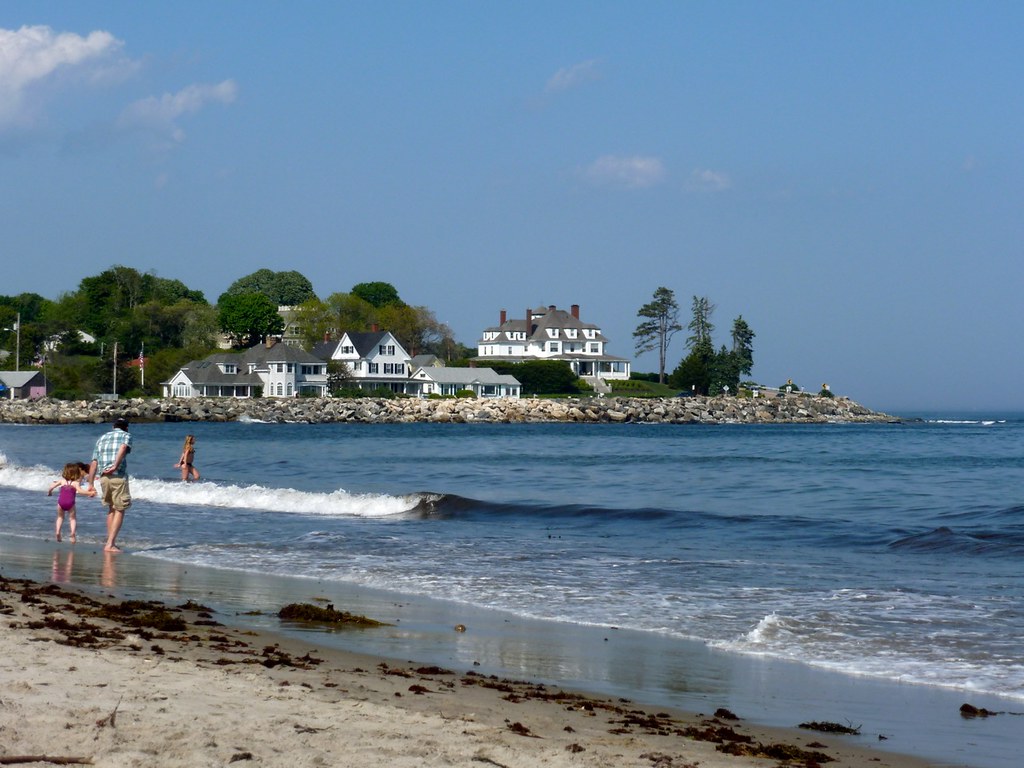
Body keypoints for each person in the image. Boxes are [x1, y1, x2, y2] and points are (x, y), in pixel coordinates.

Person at [87, 417, 133, 553]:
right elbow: (123, 448)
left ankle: (110, 541)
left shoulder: (102, 438)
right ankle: (110, 544)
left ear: (113, 427)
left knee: (111, 509)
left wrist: (90, 483)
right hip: (117, 476)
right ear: (126, 427)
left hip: (103, 478)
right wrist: (115, 466)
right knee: (120, 509)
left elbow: (94, 462)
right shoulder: (126, 435)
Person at [46, 462, 96, 543]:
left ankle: (58, 531)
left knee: (60, 517)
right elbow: (80, 491)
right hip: (70, 503)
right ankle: (72, 534)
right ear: (76, 473)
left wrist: (49, 492)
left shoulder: (62, 481)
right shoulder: (75, 483)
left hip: (60, 503)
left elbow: (51, 487)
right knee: (72, 519)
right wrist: (90, 493)